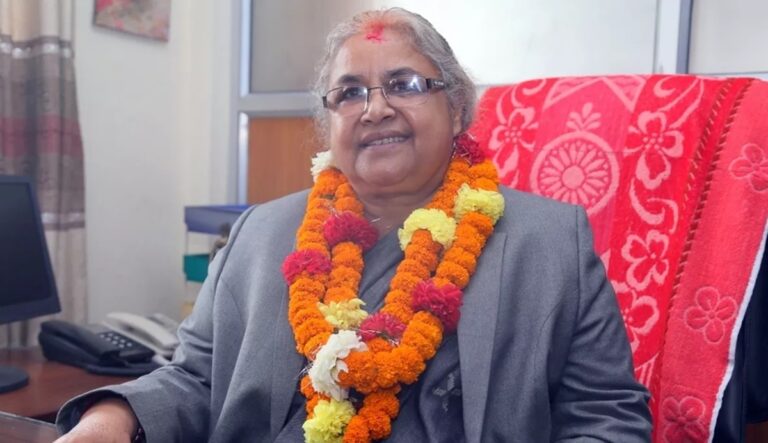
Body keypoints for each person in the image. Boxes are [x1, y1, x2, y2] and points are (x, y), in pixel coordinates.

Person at [55, 7, 651, 442]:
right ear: (329, 124)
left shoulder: (551, 243)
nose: (375, 108)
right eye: (349, 93)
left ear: (456, 108)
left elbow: (606, 417)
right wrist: (111, 418)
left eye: (404, 85)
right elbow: (192, 380)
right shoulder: (259, 235)